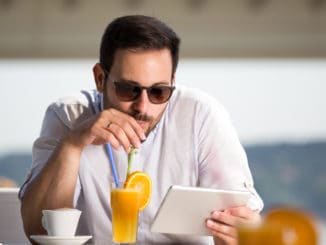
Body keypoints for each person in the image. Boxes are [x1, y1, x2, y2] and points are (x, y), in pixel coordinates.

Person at [19, 15, 263, 244]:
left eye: (159, 91)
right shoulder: (67, 116)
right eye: (128, 89)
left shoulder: (201, 115)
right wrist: (72, 145)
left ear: (173, 82)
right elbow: (37, 231)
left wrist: (241, 230)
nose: (143, 107)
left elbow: (246, 221)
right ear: (100, 79)